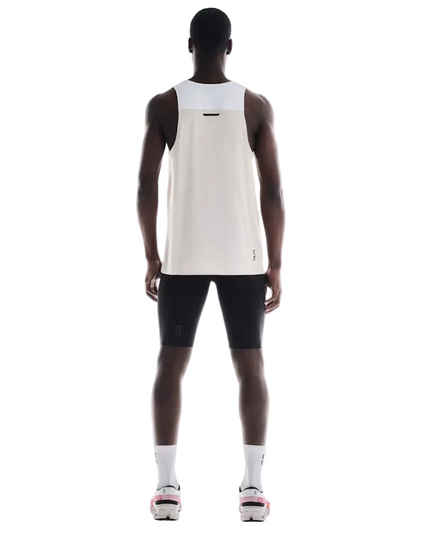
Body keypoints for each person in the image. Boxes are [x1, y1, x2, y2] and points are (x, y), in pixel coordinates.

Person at [136, 7, 285, 522]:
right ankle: (253, 489)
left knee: (170, 364)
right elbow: (273, 189)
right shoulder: (255, 105)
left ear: (189, 44)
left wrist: (152, 254)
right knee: (251, 366)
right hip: (243, 255)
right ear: (229, 46)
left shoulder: (164, 104)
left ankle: (166, 489)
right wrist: (276, 262)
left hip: (184, 255)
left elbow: (144, 185)